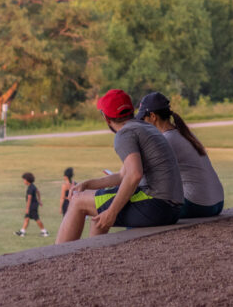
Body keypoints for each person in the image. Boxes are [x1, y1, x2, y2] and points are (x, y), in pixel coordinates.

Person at [56, 89, 183, 244]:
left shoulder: (124, 134)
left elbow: (135, 174)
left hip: (156, 205)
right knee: (98, 211)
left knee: (77, 201)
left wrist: (112, 212)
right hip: (171, 207)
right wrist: (87, 184)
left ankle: (55, 257)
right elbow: (122, 176)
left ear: (106, 118)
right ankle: (94, 258)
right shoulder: (144, 127)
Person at [136, 91, 224, 218]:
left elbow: (143, 179)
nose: (142, 124)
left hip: (198, 204)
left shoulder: (166, 140)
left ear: (153, 116)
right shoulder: (183, 133)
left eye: (143, 119)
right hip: (216, 202)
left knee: (140, 212)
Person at [15, 172, 49, 237]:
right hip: (34, 204)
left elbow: (29, 199)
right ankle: (22, 232)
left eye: (24, 180)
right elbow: (38, 192)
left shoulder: (30, 189)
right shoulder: (33, 186)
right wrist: (39, 200)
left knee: (36, 218)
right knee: (26, 218)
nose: (23, 181)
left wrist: (27, 209)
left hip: (32, 206)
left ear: (27, 180)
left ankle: (45, 232)